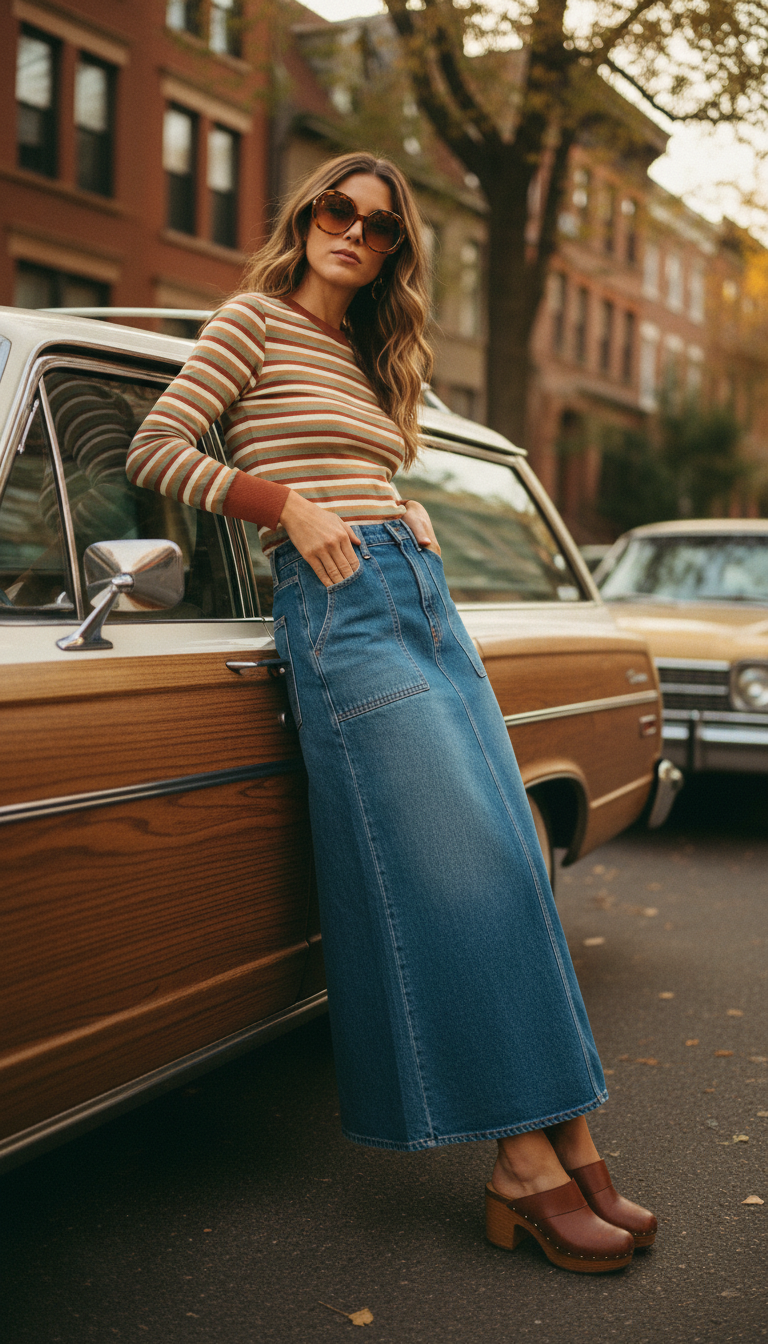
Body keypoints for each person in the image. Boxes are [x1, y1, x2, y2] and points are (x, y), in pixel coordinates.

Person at [127, 151, 656, 1273]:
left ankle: (575, 1134)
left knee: (511, 863)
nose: (355, 234)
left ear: (392, 256)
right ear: (306, 215)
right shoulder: (250, 322)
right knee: (454, 873)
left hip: (419, 599)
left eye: (380, 229)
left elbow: (363, 463)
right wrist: (286, 504)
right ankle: (520, 1166)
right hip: (340, 616)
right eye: (338, 210)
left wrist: (398, 503)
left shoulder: (369, 359)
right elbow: (157, 448)